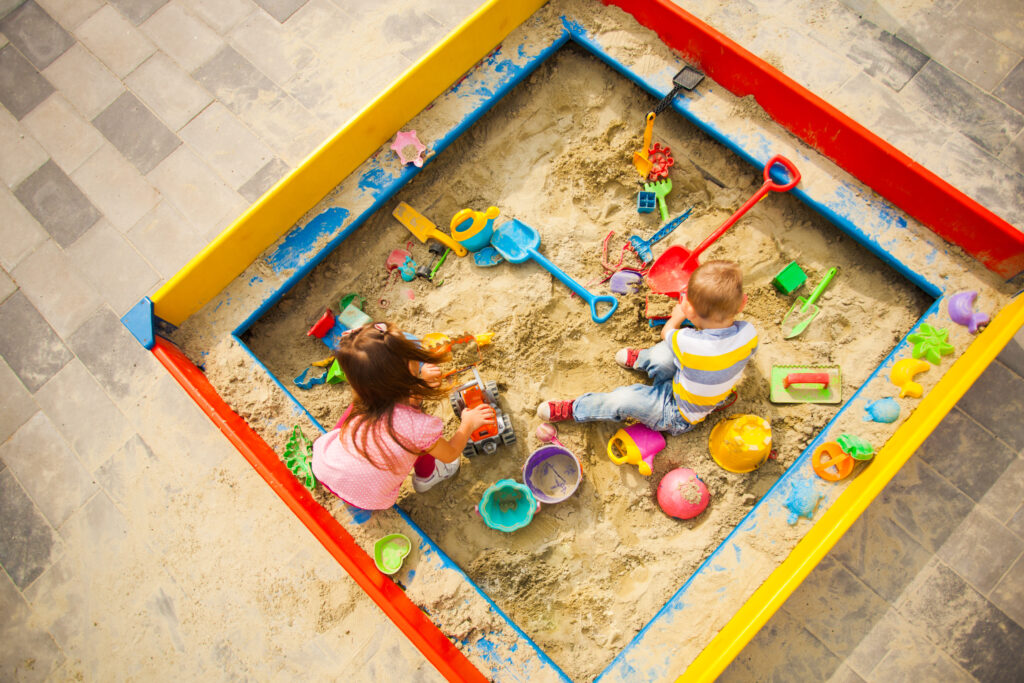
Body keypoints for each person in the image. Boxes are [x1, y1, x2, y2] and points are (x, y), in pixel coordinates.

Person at [537, 260, 757, 435]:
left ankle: (576, 409)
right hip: (688, 382)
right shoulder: (749, 334)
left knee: (625, 399)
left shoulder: (689, 343)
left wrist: (677, 317)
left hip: (677, 414)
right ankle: (642, 361)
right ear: (743, 303)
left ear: (690, 310)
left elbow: (667, 332)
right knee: (664, 355)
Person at [312, 322, 495, 510]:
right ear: (406, 373)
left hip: (325, 467)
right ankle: (428, 477)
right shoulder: (417, 428)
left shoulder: (365, 392)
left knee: (356, 414)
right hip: (368, 498)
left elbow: (396, 397)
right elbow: (450, 454)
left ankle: (346, 445)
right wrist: (468, 424)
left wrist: (418, 379)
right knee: (419, 443)